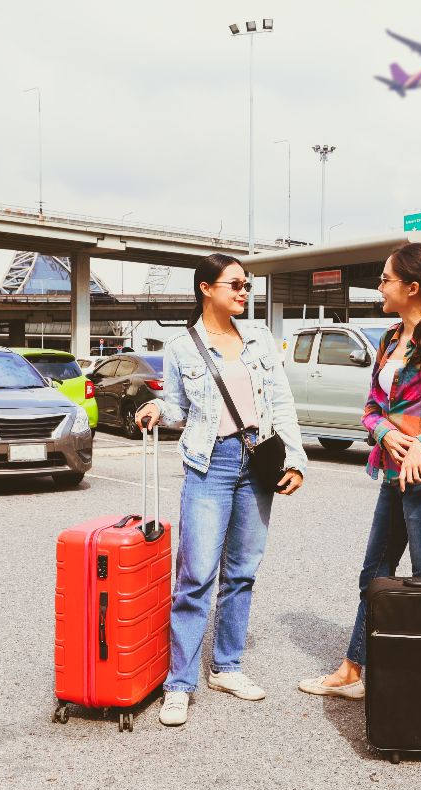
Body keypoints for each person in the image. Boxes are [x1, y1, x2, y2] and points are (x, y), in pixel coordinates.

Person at [297, 242, 421, 700]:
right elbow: (371, 409)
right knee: (374, 576)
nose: (380, 286)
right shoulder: (389, 339)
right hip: (392, 476)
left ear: (413, 287)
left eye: (386, 279)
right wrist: (385, 432)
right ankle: (352, 671)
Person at [137, 253, 306, 727]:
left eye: (246, 285)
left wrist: (296, 459)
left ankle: (227, 667)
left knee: (242, 572)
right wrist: (156, 409)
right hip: (210, 463)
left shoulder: (258, 338)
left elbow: (281, 402)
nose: (244, 292)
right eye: (235, 284)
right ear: (206, 288)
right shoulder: (181, 346)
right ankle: (179, 683)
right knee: (196, 576)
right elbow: (177, 407)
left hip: (258, 459)